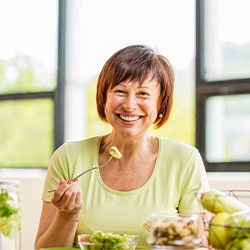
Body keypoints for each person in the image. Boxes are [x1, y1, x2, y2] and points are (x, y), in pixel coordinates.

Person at [35, 44, 209, 249]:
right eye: (120, 91)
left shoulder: (184, 160)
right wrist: (67, 216)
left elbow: (199, 246)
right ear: (104, 98)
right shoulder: (69, 157)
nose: (129, 105)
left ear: (160, 103)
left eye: (143, 94)